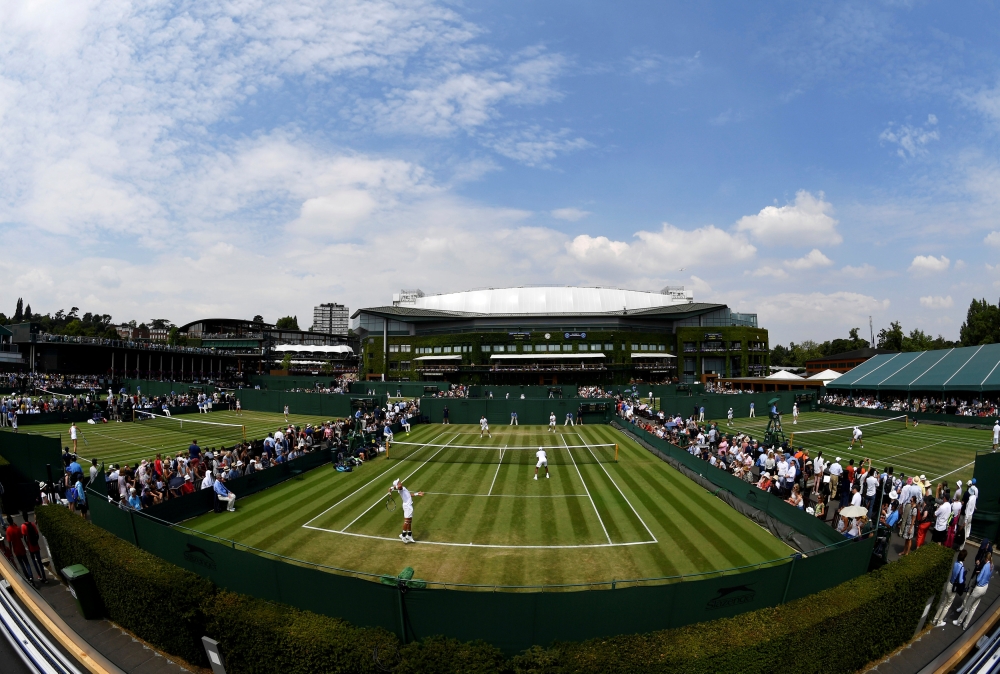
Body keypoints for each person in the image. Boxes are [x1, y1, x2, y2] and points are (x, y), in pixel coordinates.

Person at [956, 552, 993, 630]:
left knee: (968, 606)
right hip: (985, 588)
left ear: (986, 559)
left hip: (978, 588)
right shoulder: (991, 565)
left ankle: (959, 621)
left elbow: (979, 579)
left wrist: (979, 574)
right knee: (973, 608)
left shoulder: (985, 566)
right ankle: (965, 625)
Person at [933, 548, 968, 627]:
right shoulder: (962, 567)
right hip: (953, 588)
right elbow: (960, 581)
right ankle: (939, 621)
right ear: (964, 558)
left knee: (943, 603)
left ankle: (935, 619)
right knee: (947, 605)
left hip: (949, 583)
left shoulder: (956, 563)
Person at [389, 478, 423, 543]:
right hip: (407, 507)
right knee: (407, 521)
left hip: (409, 506)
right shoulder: (400, 488)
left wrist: (417, 494)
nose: (400, 482)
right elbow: (399, 487)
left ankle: (409, 536)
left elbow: (409, 495)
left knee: (409, 521)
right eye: (398, 482)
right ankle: (403, 536)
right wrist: (392, 488)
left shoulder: (403, 488)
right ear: (397, 484)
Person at [5, 516, 34, 585]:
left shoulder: (8, 530)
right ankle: (31, 576)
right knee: (27, 563)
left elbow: (9, 541)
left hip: (16, 549)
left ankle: (27, 577)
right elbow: (21, 536)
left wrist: (11, 551)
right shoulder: (17, 528)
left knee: (21, 564)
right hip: (21, 547)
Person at [20, 514, 46, 582]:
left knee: (34, 561)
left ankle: (39, 575)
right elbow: (37, 534)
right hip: (36, 545)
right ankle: (44, 576)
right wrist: (36, 541)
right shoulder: (32, 524)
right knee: (40, 561)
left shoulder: (23, 526)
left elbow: (24, 537)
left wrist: (27, 545)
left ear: (23, 518)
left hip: (30, 546)